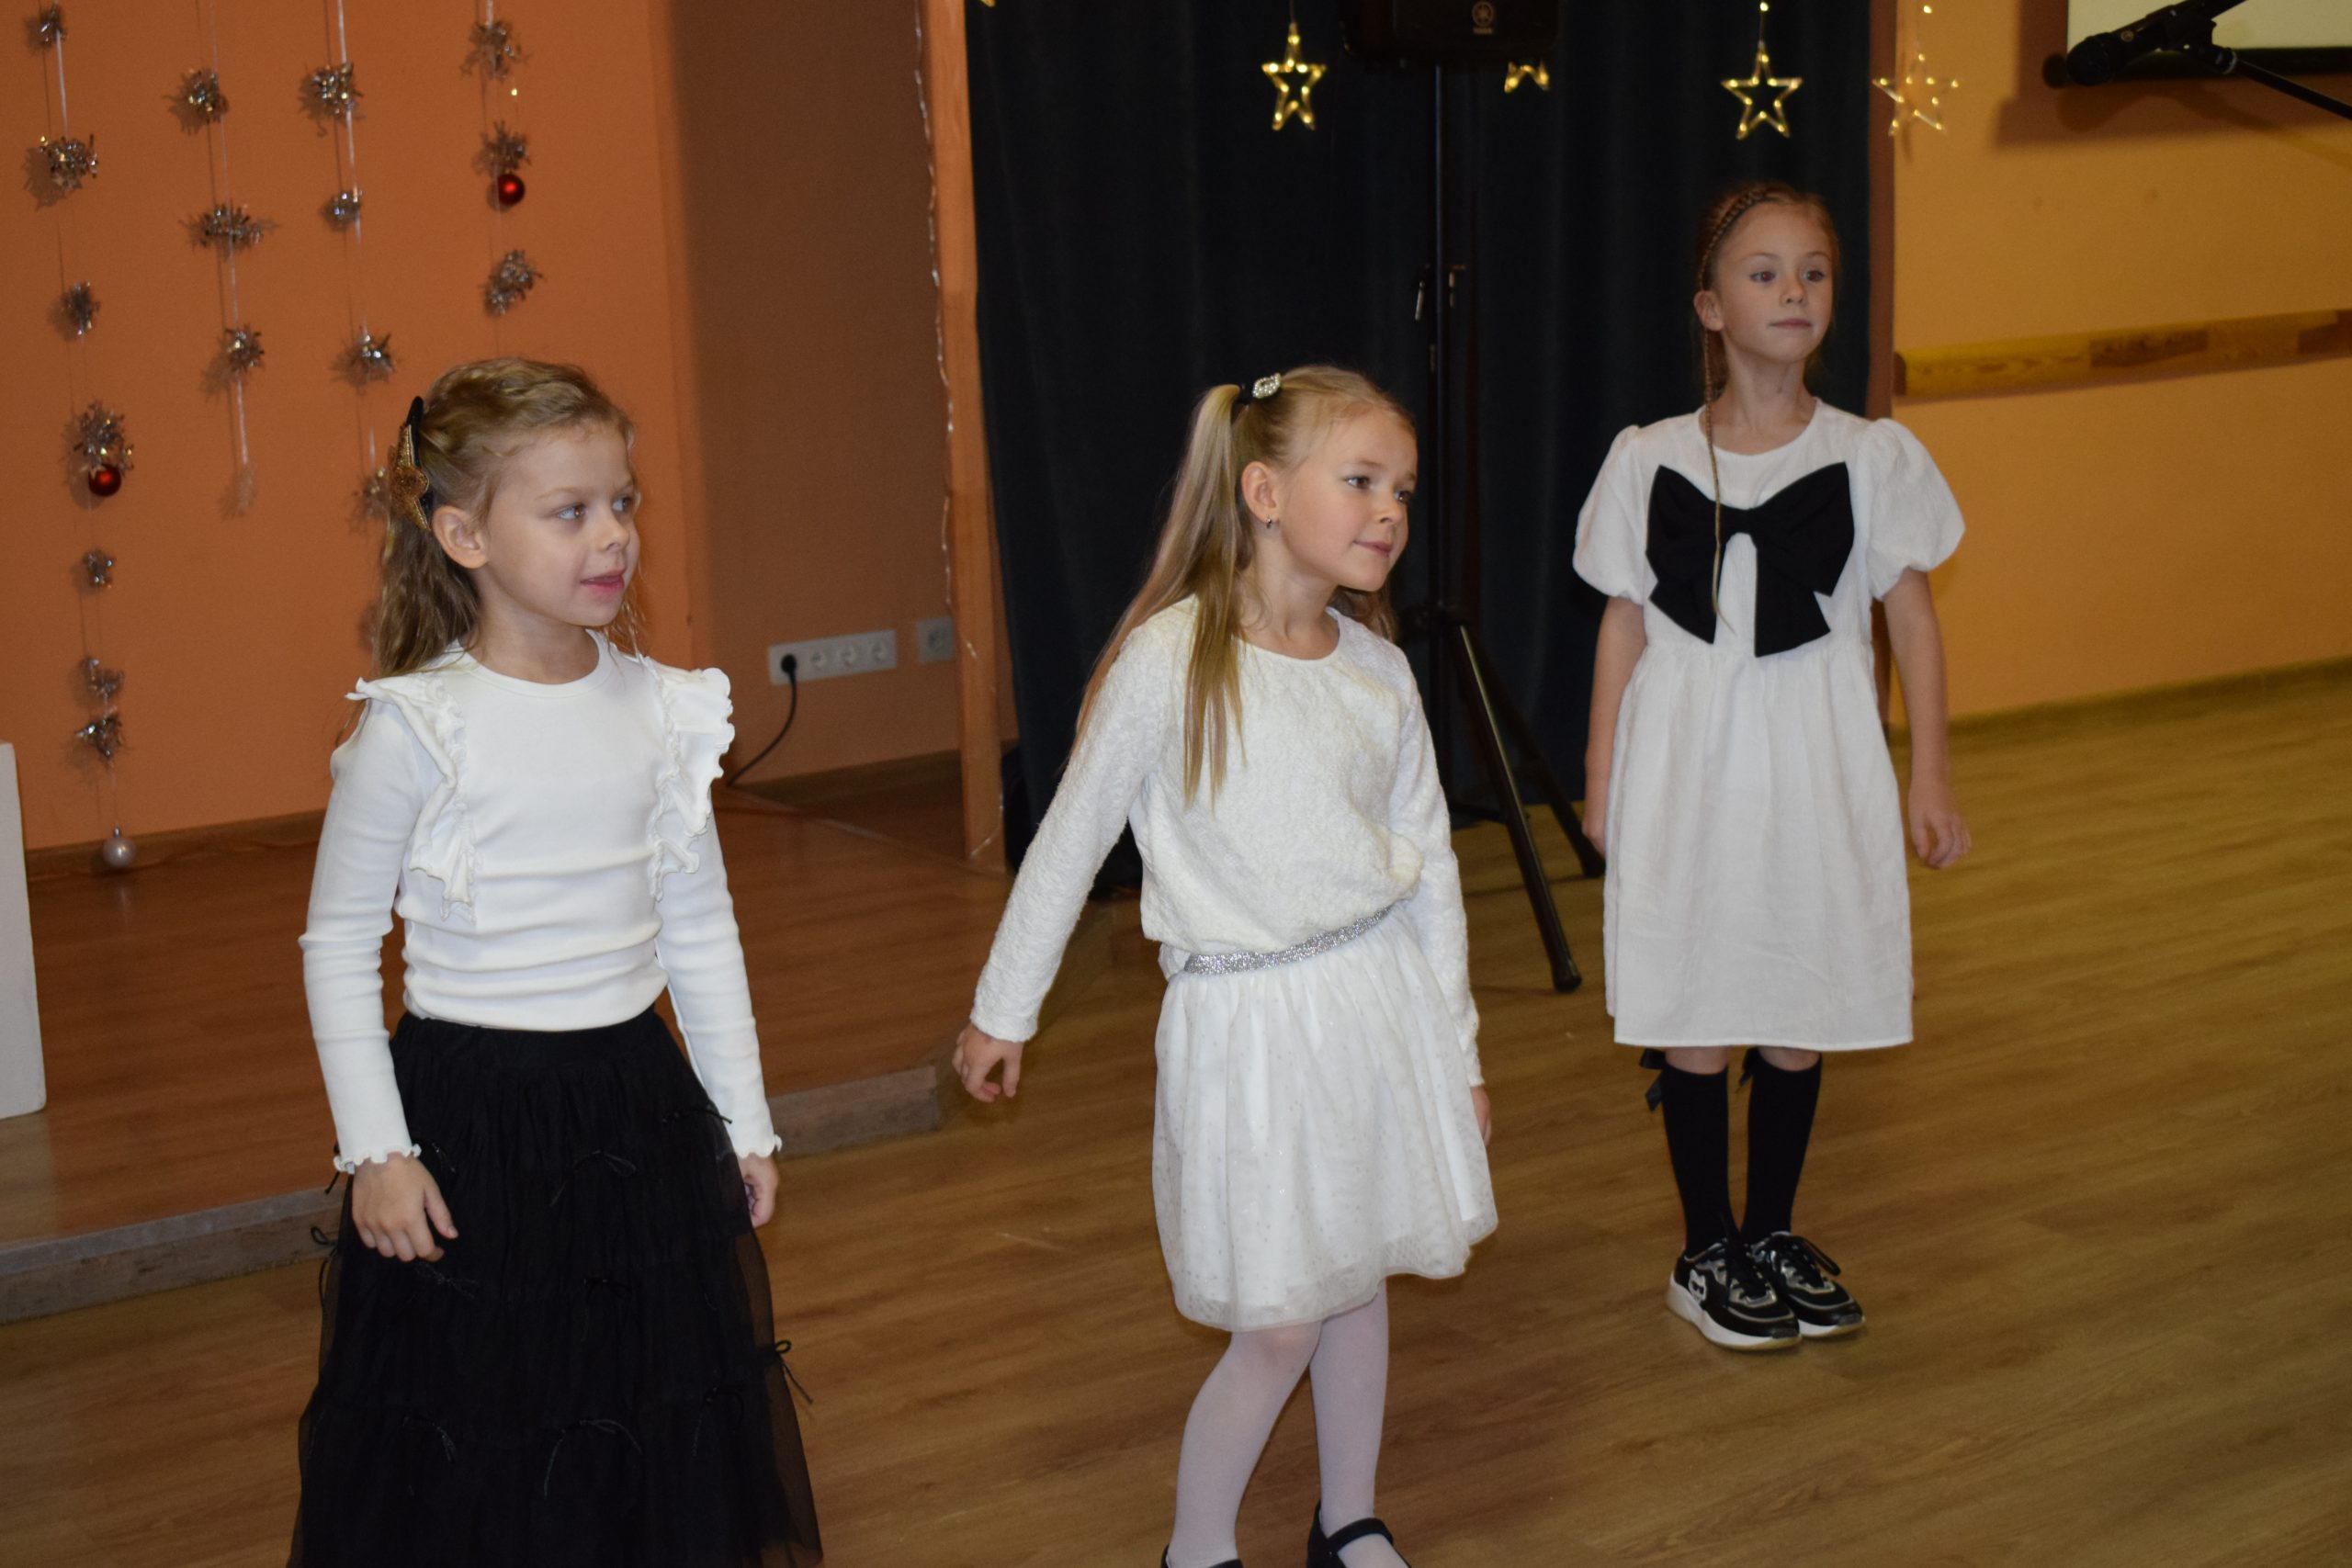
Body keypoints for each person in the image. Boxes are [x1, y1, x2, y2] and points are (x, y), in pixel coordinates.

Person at [953, 367, 1497, 1568]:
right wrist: (1004, 1008)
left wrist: (1456, 1052)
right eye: (1360, 479)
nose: (1390, 510)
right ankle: (1196, 1546)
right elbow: (1069, 841)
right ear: (1262, 491)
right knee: (1281, 1320)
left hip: (1372, 1010)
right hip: (1247, 1032)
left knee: (1358, 1279)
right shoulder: (1173, 660)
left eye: (1402, 488)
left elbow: (1431, 871)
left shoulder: (1378, 672)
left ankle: (1347, 1517)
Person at [289, 358, 821, 1564]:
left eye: (621, 502)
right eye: (570, 510)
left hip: (634, 1104)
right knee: (488, 1413)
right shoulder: (416, 727)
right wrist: (377, 1150)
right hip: (471, 1117)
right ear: (465, 534)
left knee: (637, 1405)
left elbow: (701, 929)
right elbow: (337, 944)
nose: (613, 534)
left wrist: (743, 1122)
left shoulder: (664, 710)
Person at [1575, 183, 1973, 1352]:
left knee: (1803, 982)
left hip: (1816, 749)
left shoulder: (1872, 455)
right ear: (1710, 306)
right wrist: (1600, 775)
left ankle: (1773, 1230)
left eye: (1812, 271)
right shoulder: (1646, 457)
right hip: (1684, 755)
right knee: (1696, 985)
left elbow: (1912, 624)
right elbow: (1621, 624)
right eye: (1762, 273)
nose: (1792, 291)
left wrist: (1929, 774)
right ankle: (1706, 1246)